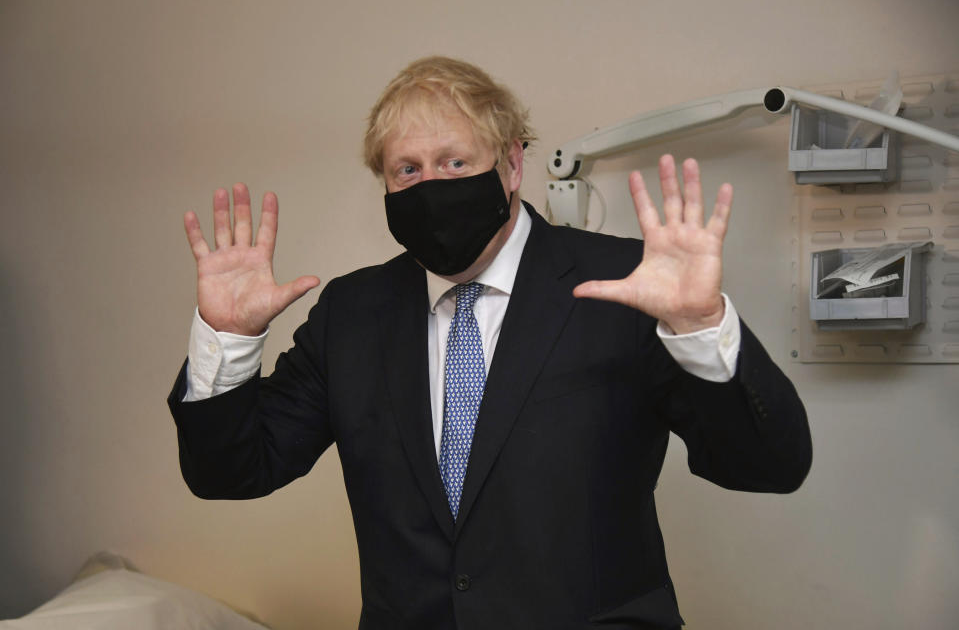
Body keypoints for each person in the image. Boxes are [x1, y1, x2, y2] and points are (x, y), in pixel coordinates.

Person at [169, 56, 811, 630]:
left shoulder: (627, 286)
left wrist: (699, 325)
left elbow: (769, 465)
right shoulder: (352, 313)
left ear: (511, 163)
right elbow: (232, 472)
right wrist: (227, 337)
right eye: (407, 170)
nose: (432, 185)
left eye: (455, 162)